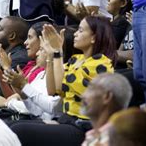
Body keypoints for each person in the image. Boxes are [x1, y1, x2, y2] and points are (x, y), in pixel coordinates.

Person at [11, 16, 116, 146]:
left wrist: (57, 53)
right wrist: (51, 55)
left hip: (84, 125)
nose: (76, 34)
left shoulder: (101, 63)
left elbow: (61, 85)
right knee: (13, 125)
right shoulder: (76, 59)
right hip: (67, 120)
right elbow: (52, 90)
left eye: (81, 31)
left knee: (19, 130)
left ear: (94, 37)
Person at [81, 74, 133, 146]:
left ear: (107, 97)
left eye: (90, 90)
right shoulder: (92, 136)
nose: (83, 95)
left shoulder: (115, 140)